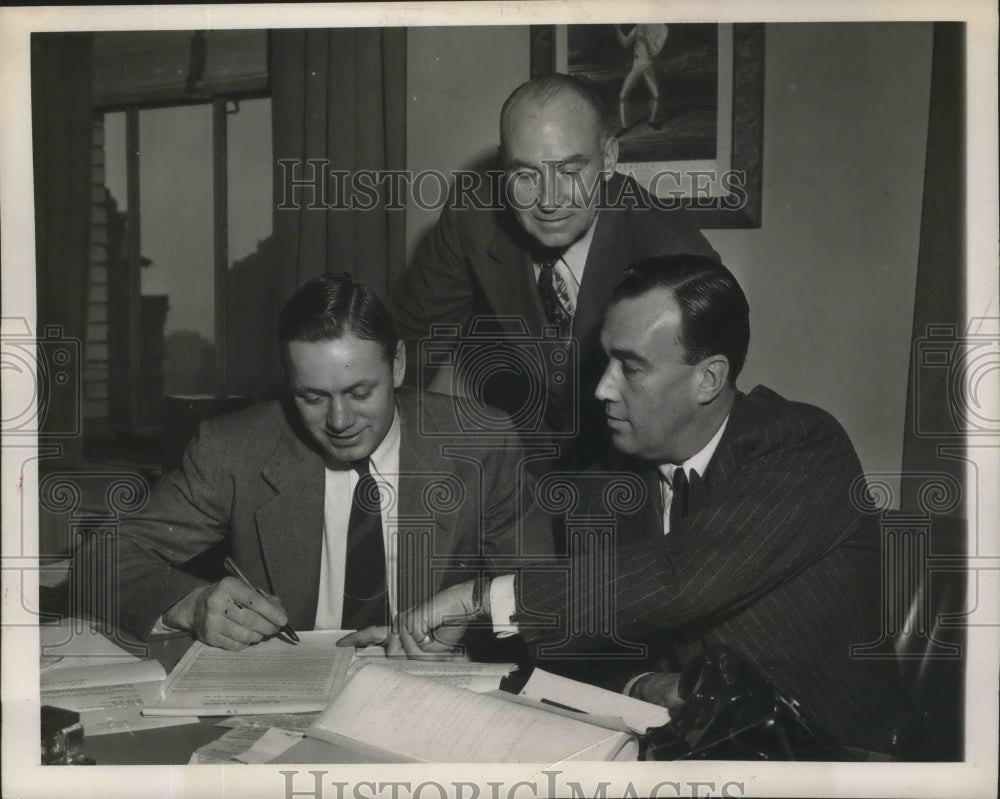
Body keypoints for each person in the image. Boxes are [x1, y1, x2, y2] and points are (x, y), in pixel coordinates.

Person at [349, 254, 909, 753]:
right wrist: (452, 649)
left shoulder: (801, 446)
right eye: (605, 362)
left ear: (709, 378)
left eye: (631, 367)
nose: (602, 389)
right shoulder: (603, 483)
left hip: (842, 761)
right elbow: (589, 640)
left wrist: (477, 599)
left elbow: (679, 576)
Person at [73, 273, 549, 651]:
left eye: (360, 392)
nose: (339, 421)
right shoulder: (233, 449)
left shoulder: (479, 441)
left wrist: (469, 620)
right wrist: (192, 604)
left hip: (434, 687)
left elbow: (545, 592)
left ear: (398, 365)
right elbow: (102, 559)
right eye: (313, 397)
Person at [388, 72, 717, 467]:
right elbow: (407, 345)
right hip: (521, 455)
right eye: (526, 175)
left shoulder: (674, 254)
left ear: (609, 159)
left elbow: (691, 415)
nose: (548, 200)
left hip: (635, 464)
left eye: (570, 171)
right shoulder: (471, 219)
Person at [614, 23, 670, 134]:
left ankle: (652, 121)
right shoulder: (641, 24)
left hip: (649, 65)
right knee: (622, 96)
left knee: (656, 95)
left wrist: (645, 37)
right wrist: (617, 29)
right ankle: (624, 127)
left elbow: (654, 52)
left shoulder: (663, 28)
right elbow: (625, 43)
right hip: (637, 65)